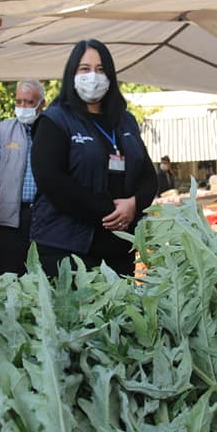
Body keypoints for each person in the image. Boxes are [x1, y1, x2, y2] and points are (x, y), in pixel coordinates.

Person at [30, 39, 158, 277]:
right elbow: (52, 181)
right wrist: (110, 211)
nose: (93, 77)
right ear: (72, 74)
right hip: (66, 248)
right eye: (85, 69)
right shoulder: (55, 120)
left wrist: (134, 204)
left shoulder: (125, 121)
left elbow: (149, 176)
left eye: (100, 70)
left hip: (119, 248)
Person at [0, 79, 45, 275]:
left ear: (42, 104)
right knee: (8, 276)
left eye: (29, 102)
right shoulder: (4, 131)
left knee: (40, 276)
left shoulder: (51, 131)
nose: (23, 107)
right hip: (10, 218)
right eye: (19, 102)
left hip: (43, 216)